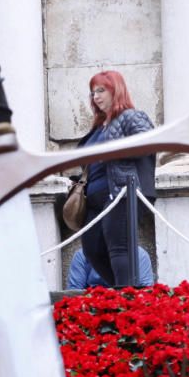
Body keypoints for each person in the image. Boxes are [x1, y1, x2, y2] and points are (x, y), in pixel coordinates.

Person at [78, 70, 156, 287]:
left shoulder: (131, 116)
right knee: (92, 248)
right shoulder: (98, 126)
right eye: (93, 92)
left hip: (121, 192)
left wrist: (112, 152)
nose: (96, 97)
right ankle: (124, 291)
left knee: (119, 248)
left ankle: (126, 297)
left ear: (116, 90)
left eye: (101, 90)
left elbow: (149, 143)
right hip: (94, 199)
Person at [67, 247, 154, 290]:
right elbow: (74, 292)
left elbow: (146, 292)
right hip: (93, 309)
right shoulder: (82, 255)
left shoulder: (139, 255)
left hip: (130, 309)